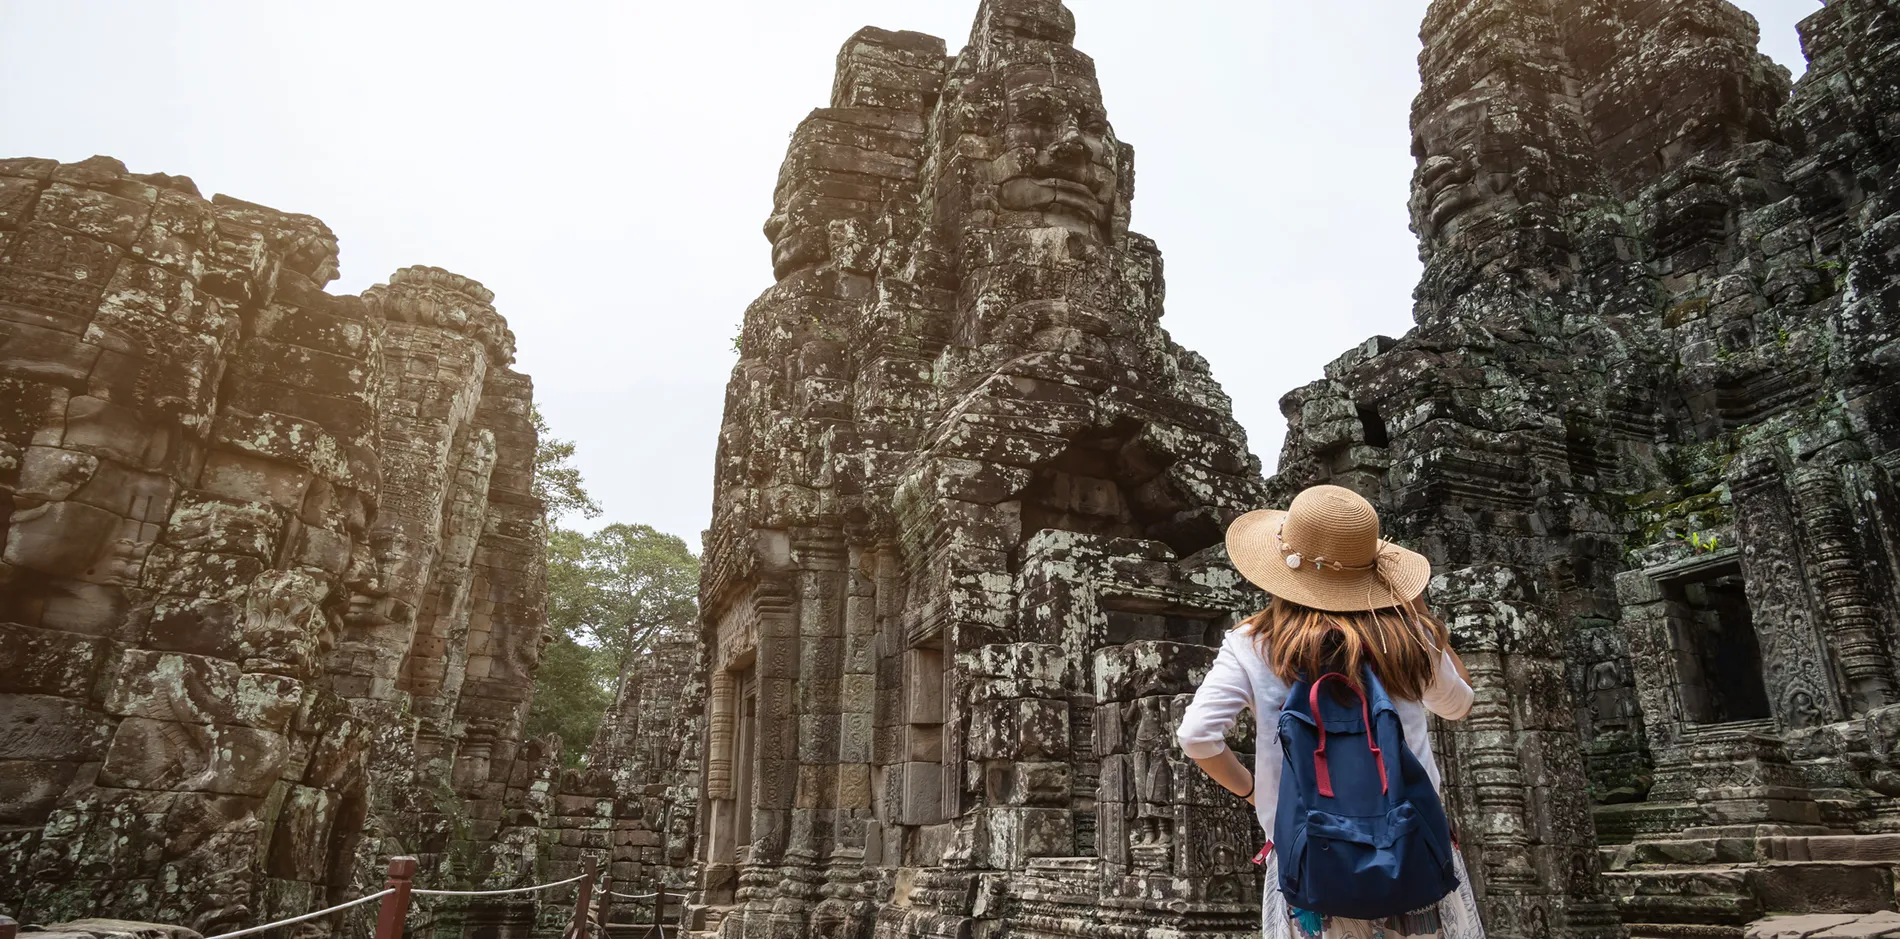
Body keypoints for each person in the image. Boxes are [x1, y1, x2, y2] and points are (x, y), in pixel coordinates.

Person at [1177, 485, 1485, 939]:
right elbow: (1458, 705)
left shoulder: (1252, 643)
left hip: (1312, 855)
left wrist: (1253, 792)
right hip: (1411, 850)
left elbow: (1197, 736)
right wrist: (1420, 614)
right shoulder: (1407, 636)